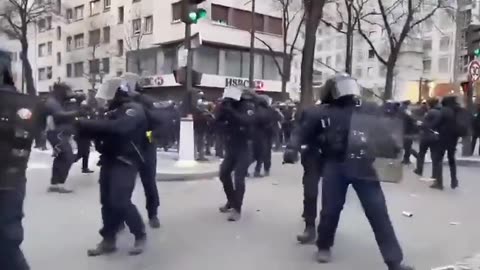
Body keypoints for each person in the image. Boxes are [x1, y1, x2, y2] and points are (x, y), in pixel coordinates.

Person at [283, 73, 413, 270]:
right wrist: (292, 148)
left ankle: (394, 261)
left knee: (378, 212)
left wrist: (395, 112)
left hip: (363, 164)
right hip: (335, 165)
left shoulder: (367, 109)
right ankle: (324, 245)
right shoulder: (320, 112)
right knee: (330, 210)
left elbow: (384, 129)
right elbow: (301, 131)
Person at [77, 82, 148, 256]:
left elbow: (120, 128)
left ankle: (139, 234)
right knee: (107, 203)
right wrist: (81, 128)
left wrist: (88, 125)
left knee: (120, 201)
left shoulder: (133, 109)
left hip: (126, 161)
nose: (106, 98)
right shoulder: (111, 112)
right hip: (109, 160)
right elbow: (103, 131)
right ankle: (108, 239)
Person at [0, 52, 37, 270]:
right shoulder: (26, 102)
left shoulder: (21, 103)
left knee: (7, 242)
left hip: (9, 179)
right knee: (8, 239)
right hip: (12, 180)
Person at [215, 88, 256, 222]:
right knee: (223, 173)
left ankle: (237, 209)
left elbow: (246, 121)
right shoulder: (228, 106)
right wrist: (222, 110)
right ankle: (231, 200)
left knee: (239, 177)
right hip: (231, 145)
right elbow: (217, 122)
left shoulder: (247, 105)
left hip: (245, 146)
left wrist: (231, 111)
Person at [290, 102, 326, 244]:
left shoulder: (346, 111)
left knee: (332, 197)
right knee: (311, 191)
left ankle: (326, 233)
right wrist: (293, 147)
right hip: (313, 154)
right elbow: (300, 131)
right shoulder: (314, 112)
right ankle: (310, 227)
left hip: (334, 157)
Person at [44, 83, 83, 193]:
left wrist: (77, 101)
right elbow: (59, 115)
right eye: (68, 91)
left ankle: (55, 184)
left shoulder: (57, 100)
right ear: (62, 91)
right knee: (67, 156)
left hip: (59, 133)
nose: (70, 93)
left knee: (61, 157)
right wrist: (77, 112)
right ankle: (60, 183)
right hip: (57, 133)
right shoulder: (52, 102)